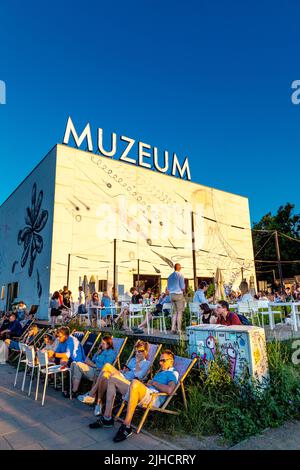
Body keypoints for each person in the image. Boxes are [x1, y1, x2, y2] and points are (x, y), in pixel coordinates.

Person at [111, 349, 179, 442]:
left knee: (134, 382)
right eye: (160, 360)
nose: (160, 363)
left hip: (153, 398)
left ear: (171, 361)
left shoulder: (173, 373)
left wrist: (153, 382)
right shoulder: (161, 372)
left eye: (163, 360)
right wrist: (146, 384)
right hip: (146, 392)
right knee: (113, 378)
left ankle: (126, 426)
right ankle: (107, 417)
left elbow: (170, 390)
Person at [80, 340, 150, 420]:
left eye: (140, 351)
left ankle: (92, 394)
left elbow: (139, 376)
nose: (137, 353)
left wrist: (138, 363)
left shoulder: (147, 363)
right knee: (104, 375)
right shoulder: (132, 360)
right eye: (136, 351)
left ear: (145, 352)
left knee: (107, 366)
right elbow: (127, 371)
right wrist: (123, 370)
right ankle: (98, 403)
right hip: (123, 376)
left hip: (127, 382)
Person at [66, 335, 116, 401]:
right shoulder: (102, 351)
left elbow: (106, 366)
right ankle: (74, 390)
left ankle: (73, 390)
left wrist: (94, 366)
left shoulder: (111, 353)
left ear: (108, 344)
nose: (101, 344)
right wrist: (97, 353)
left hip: (97, 371)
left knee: (77, 364)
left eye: (103, 343)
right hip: (92, 368)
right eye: (101, 343)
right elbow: (93, 360)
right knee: (74, 364)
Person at [167, 263, 185, 334]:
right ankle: (179, 329)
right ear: (179, 268)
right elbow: (182, 287)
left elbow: (168, 288)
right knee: (179, 312)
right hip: (178, 294)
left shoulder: (170, 276)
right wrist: (184, 293)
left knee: (174, 312)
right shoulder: (180, 275)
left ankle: (172, 328)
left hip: (171, 295)